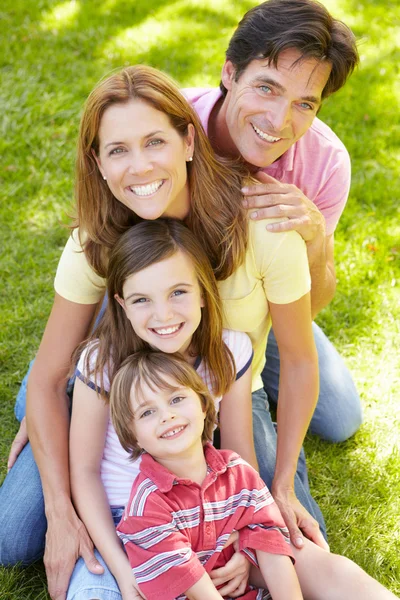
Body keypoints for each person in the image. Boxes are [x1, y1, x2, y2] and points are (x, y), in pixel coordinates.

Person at [0, 58, 335, 598]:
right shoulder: (95, 241)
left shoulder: (262, 229)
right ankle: (67, 395)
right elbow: (48, 374)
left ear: (187, 141)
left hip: (229, 385)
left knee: (296, 539)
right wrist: (62, 514)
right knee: (14, 535)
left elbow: (297, 361)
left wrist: (276, 491)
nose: (138, 167)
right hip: (122, 380)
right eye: (117, 151)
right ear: (98, 164)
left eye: (154, 142)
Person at [183, 0, 363, 444]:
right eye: (266, 88)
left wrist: (316, 238)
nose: (279, 121)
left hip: (261, 307)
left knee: (340, 418)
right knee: (38, 396)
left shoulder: (325, 162)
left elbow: (312, 303)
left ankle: (253, 386)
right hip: (161, 298)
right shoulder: (172, 125)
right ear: (230, 72)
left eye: (305, 103)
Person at [68, 218, 258, 599]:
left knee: (303, 560)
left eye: (178, 293)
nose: (164, 315)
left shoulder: (230, 351)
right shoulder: (100, 362)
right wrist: (123, 571)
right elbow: (85, 471)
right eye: (142, 300)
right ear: (121, 305)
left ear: (204, 292)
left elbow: (240, 457)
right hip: (120, 521)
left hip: (202, 515)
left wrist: (246, 540)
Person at [110, 351, 398, 600]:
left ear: (204, 404)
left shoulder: (238, 472)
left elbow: (269, 543)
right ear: (132, 437)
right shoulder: (146, 506)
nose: (166, 416)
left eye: (176, 399)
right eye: (147, 412)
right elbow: (195, 587)